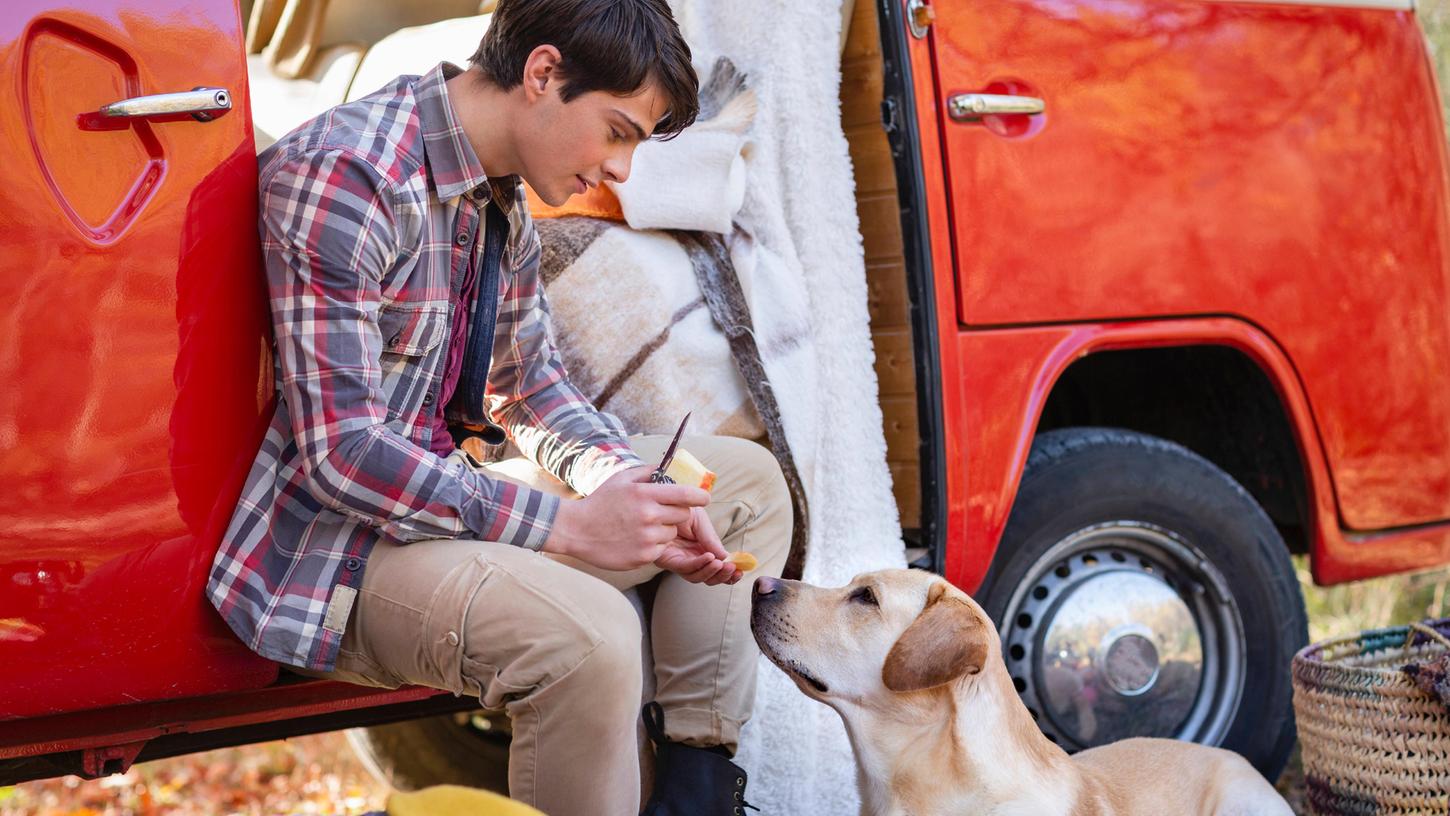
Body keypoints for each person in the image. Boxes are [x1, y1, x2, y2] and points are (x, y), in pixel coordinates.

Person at [205, 1, 792, 814]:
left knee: (743, 487)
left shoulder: (500, 203)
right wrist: (569, 526)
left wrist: (623, 484)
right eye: (618, 131)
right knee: (591, 640)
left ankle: (694, 793)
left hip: (438, 507)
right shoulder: (348, 177)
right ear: (543, 74)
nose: (622, 171)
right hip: (330, 550)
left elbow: (531, 390)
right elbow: (342, 455)